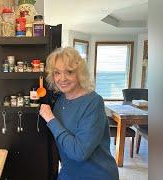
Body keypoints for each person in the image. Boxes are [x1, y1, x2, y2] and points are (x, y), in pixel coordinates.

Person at [39, 47, 119, 180]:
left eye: (69, 72)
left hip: (97, 175)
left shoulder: (93, 102)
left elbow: (79, 152)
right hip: (69, 173)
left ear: (79, 73)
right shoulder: (60, 101)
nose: (62, 78)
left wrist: (51, 120)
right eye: (57, 73)